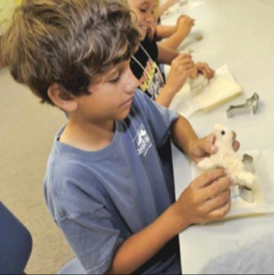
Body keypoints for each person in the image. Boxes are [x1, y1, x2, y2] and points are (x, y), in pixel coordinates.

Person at [1, 0, 238, 274]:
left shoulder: (128, 102)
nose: (134, 82)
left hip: (183, 231)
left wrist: (194, 144)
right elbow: (110, 266)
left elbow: (171, 122)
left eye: (129, 66)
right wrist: (180, 214)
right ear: (64, 96)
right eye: (115, 77)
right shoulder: (68, 181)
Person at [128, 0, 214, 108]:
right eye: (143, 10)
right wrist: (170, 88)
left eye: (153, 11)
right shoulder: (121, 67)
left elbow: (167, 55)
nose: (151, 20)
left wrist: (188, 66)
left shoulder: (142, 40)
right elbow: (149, 122)